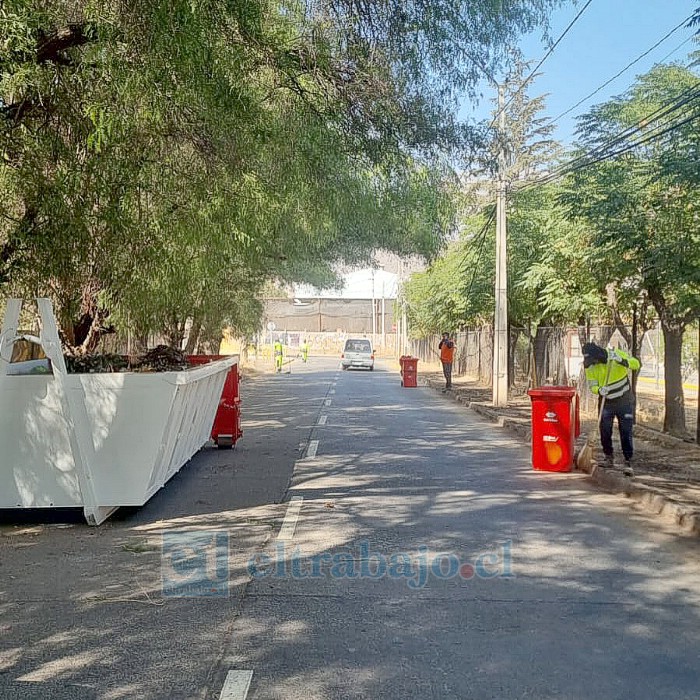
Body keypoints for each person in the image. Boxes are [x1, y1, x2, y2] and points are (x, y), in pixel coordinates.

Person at [582, 342, 641, 477]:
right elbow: (592, 385)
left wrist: (621, 360)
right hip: (606, 401)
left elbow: (636, 364)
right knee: (605, 430)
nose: (592, 363)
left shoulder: (615, 356)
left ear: (598, 356)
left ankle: (628, 460)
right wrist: (599, 390)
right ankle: (609, 457)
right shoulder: (589, 366)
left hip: (624, 400)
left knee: (626, 430)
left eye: (593, 360)